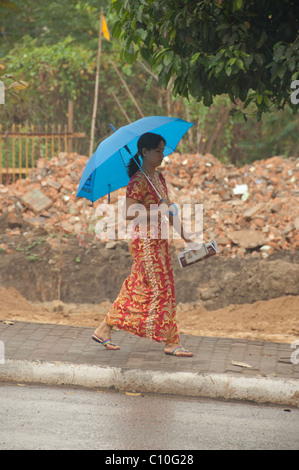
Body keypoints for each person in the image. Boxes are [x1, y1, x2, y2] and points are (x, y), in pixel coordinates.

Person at [92, 132, 194, 357]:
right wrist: (158, 209)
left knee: (138, 286)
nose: (162, 155)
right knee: (161, 288)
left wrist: (187, 236)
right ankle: (171, 341)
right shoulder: (138, 180)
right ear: (144, 152)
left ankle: (104, 329)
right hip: (145, 242)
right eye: (158, 151)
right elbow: (128, 212)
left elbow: (169, 210)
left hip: (160, 240)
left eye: (163, 150)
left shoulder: (159, 178)